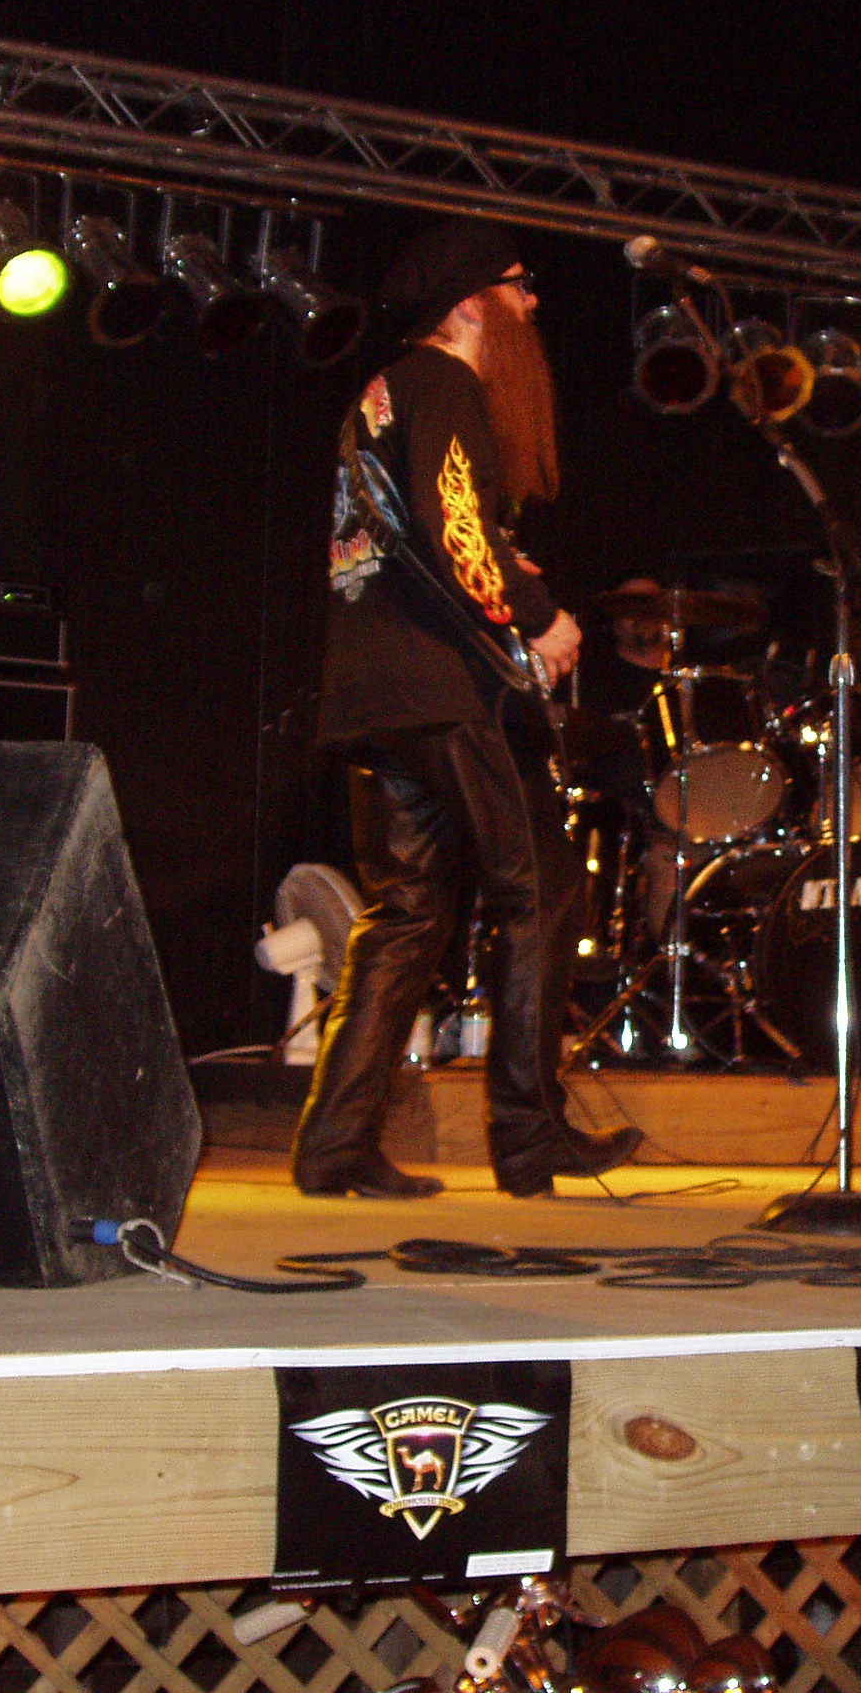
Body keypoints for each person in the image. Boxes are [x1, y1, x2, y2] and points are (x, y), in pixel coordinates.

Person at [296, 219, 641, 1198]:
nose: (533, 302)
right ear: (472, 303)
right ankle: (529, 1136)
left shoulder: (383, 391)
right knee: (543, 891)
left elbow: (409, 532)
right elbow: (454, 528)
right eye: (520, 284)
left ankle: (334, 1145)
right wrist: (537, 615)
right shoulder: (444, 383)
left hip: (371, 687)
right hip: (443, 689)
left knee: (405, 916)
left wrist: (492, 558)